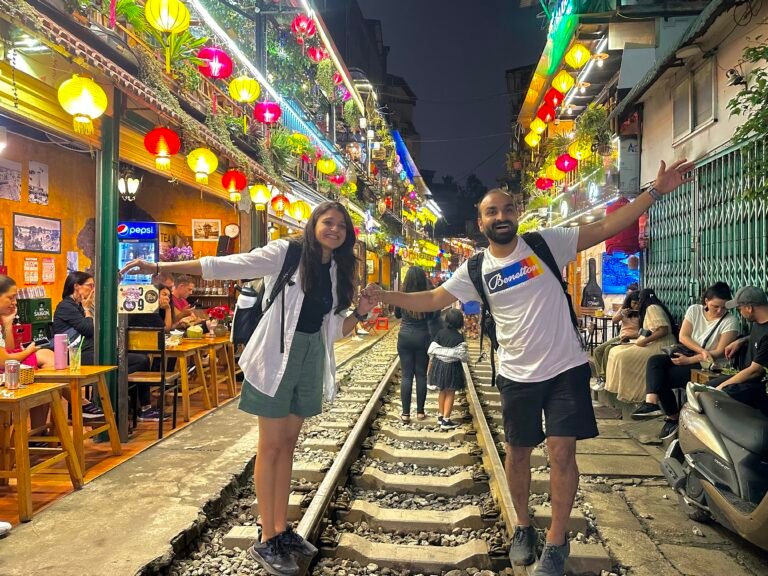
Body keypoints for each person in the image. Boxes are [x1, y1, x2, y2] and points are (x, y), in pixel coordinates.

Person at [363, 158, 693, 575]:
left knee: (561, 452)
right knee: (517, 456)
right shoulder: (476, 268)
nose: (500, 217)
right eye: (491, 212)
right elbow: (430, 299)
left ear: (516, 213)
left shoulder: (544, 244)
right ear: (480, 222)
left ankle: (556, 540)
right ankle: (523, 526)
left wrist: (656, 191)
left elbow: (606, 228)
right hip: (517, 374)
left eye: (506, 209)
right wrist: (384, 296)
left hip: (565, 369)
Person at [121, 201, 374, 576]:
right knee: (269, 447)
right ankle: (268, 537)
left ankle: (281, 529)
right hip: (276, 356)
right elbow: (227, 265)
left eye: (341, 225)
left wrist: (362, 311)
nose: (334, 229)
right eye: (328, 221)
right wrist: (160, 267)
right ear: (314, 224)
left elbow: (334, 330)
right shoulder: (287, 253)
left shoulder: (337, 268)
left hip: (310, 358)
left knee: (287, 446)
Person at [632, 282, 740, 438]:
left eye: (724, 307)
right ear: (706, 301)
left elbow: (719, 352)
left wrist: (691, 360)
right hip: (691, 354)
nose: (720, 310)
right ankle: (651, 403)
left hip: (710, 365)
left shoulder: (730, 321)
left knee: (663, 378)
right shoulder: (694, 310)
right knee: (655, 361)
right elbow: (683, 336)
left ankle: (672, 417)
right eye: (716, 306)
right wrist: (701, 351)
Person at [54, 272, 149, 418]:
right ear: (76, 286)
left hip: (90, 350)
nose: (93, 289)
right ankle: (108, 407)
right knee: (115, 365)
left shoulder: (78, 305)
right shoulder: (66, 306)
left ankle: (135, 407)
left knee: (141, 360)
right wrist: (86, 309)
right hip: (76, 355)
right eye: (90, 285)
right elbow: (89, 329)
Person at [0, 275, 57, 433]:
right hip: (5, 371)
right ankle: (82, 404)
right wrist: (28, 351)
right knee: (46, 369)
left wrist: (7, 324)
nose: (14, 302)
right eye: (10, 298)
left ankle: (39, 431)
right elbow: (5, 360)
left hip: (7, 369)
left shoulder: (2, 317)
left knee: (47, 373)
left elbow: (8, 348)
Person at [604, 289, 677, 403]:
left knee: (622, 357)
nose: (637, 304)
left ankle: (633, 393)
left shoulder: (652, 308)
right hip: (649, 342)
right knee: (614, 351)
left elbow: (663, 330)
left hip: (661, 345)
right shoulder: (649, 308)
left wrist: (644, 341)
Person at [709, 287, 768, 415]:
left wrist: (721, 388)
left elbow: (754, 371)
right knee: (707, 387)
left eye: (739, 309)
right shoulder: (758, 321)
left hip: (759, 384)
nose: (739, 313)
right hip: (749, 378)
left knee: (715, 396)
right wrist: (741, 341)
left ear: (749, 308)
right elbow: (758, 337)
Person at [395, 267, 437, 423]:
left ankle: (405, 414)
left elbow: (397, 315)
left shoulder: (402, 296)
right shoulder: (428, 296)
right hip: (423, 337)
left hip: (405, 336)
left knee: (406, 375)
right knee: (420, 374)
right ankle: (420, 412)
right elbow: (433, 315)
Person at [127, 284, 174, 422]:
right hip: (136, 355)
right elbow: (166, 329)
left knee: (147, 360)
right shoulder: (148, 311)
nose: (167, 299)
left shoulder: (149, 310)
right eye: (164, 295)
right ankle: (145, 407)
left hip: (138, 353)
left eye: (169, 296)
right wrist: (169, 310)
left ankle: (145, 406)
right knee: (145, 361)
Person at [428, 309, 469, 430]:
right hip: (452, 368)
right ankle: (446, 420)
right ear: (460, 322)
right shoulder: (459, 337)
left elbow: (432, 350)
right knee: (450, 392)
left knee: (442, 391)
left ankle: (441, 416)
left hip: (439, 366)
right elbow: (463, 356)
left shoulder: (440, 333)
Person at [591, 290, 640, 390]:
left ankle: (604, 379)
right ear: (629, 302)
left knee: (608, 349)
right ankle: (602, 377)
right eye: (634, 303)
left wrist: (631, 337)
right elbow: (614, 320)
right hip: (621, 336)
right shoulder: (624, 309)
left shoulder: (643, 312)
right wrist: (622, 314)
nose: (636, 306)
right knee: (597, 351)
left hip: (632, 339)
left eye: (638, 303)